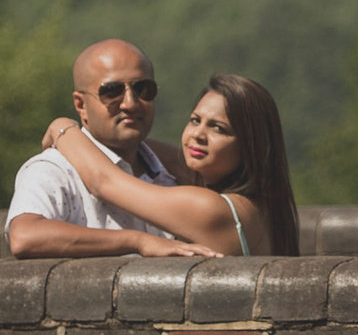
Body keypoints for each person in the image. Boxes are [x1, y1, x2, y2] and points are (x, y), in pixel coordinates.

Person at [40, 72, 300, 257]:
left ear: (250, 146)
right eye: (195, 120)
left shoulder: (212, 210)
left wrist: (63, 128)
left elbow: (104, 182)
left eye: (218, 128)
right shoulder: (261, 206)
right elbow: (162, 153)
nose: (198, 134)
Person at [6, 39, 221, 258]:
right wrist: (136, 241)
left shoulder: (173, 174)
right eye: (112, 91)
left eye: (143, 89)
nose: (130, 103)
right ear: (81, 105)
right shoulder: (55, 171)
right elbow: (25, 235)